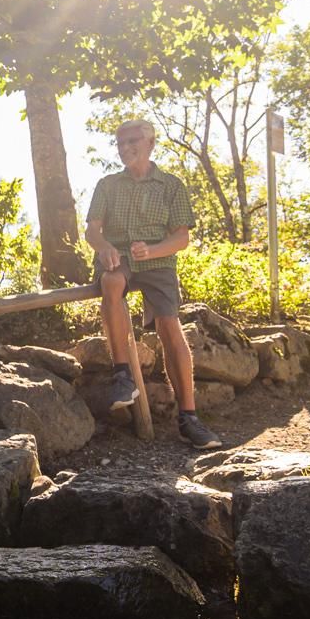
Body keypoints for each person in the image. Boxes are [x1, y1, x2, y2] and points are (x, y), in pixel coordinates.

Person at [83, 119, 225, 449]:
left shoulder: (171, 185)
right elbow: (92, 229)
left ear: (150, 144)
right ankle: (122, 376)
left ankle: (189, 419)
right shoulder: (107, 185)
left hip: (158, 262)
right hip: (117, 259)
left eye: (133, 141)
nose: (126, 148)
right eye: (120, 143)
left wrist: (152, 250)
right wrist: (104, 247)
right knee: (111, 282)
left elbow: (182, 238)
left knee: (169, 326)